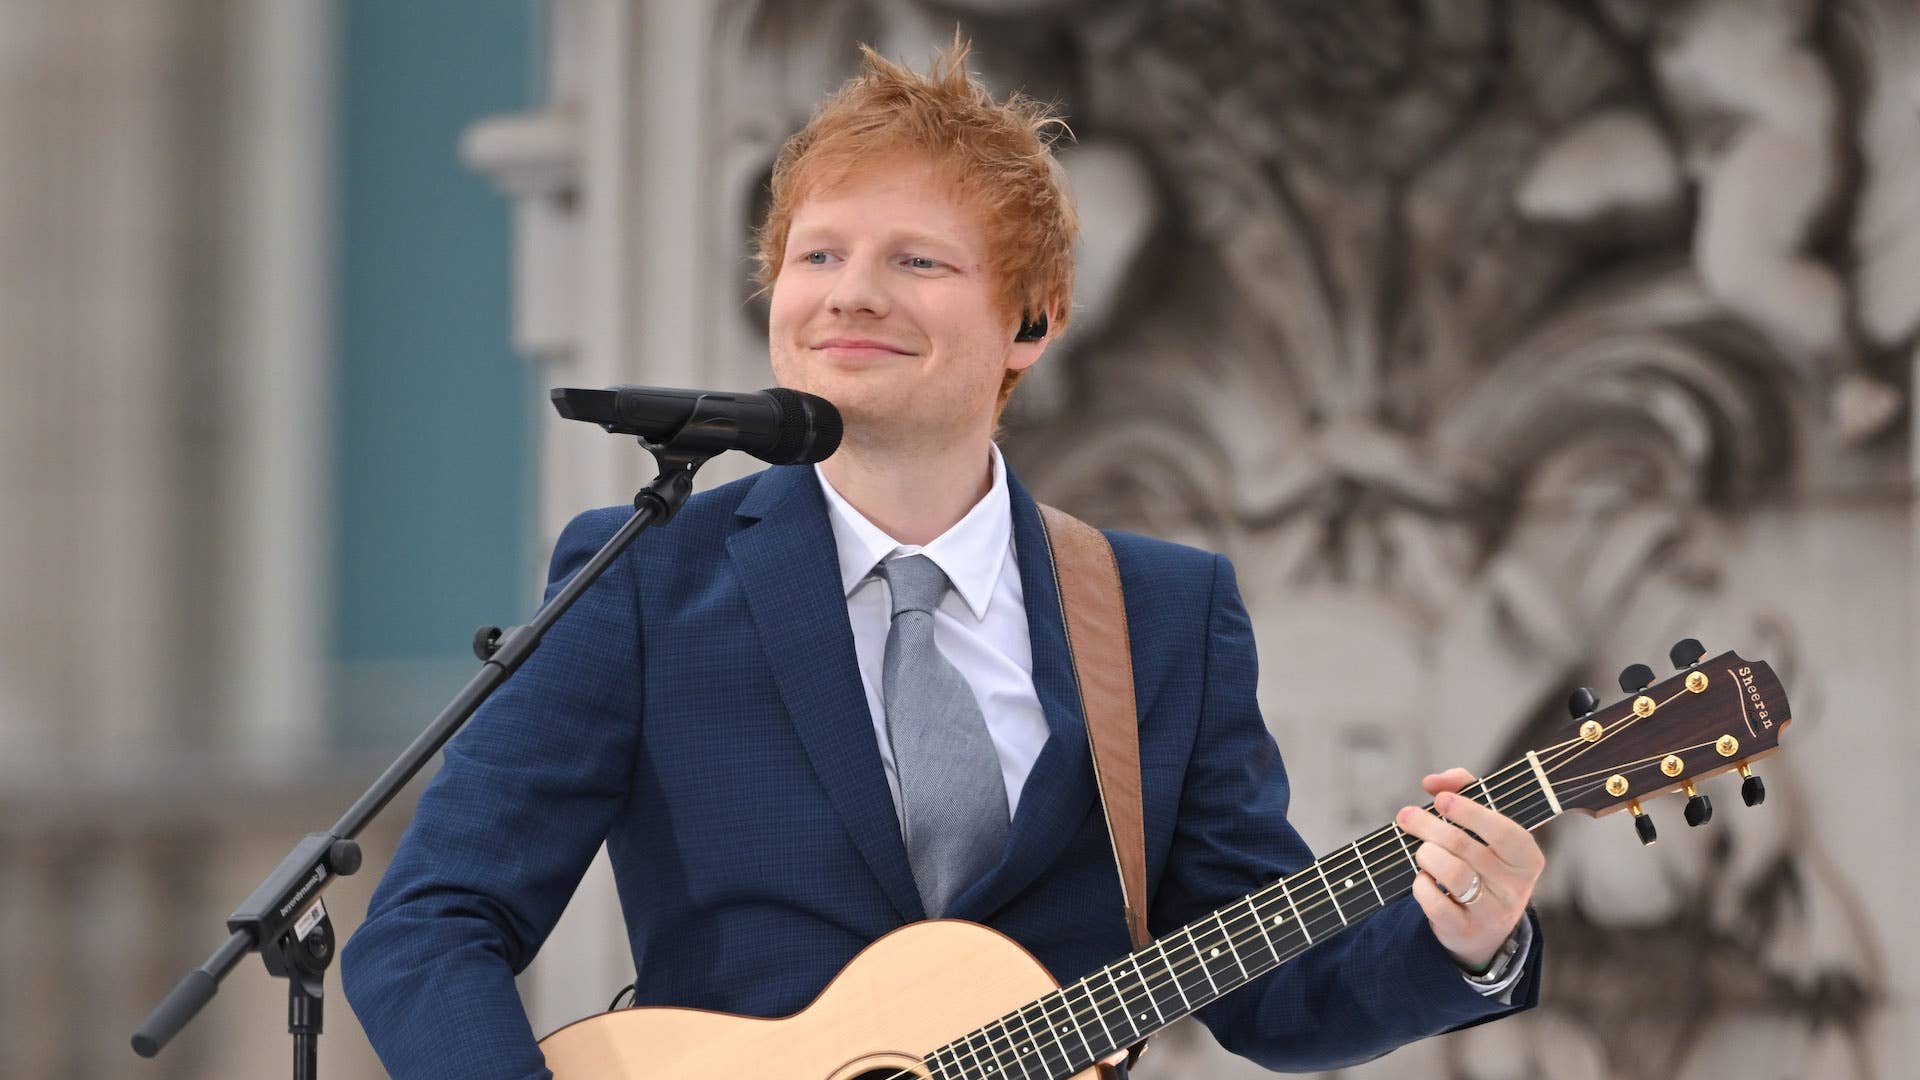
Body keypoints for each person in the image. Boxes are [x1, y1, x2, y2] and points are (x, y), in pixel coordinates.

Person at [340, 39, 1546, 1079]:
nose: (849, 296)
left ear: (1033, 318)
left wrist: (1465, 936)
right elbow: (430, 927)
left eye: (917, 261)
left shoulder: (1163, 615)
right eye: (818, 256)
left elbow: (1276, 994)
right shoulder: (647, 576)